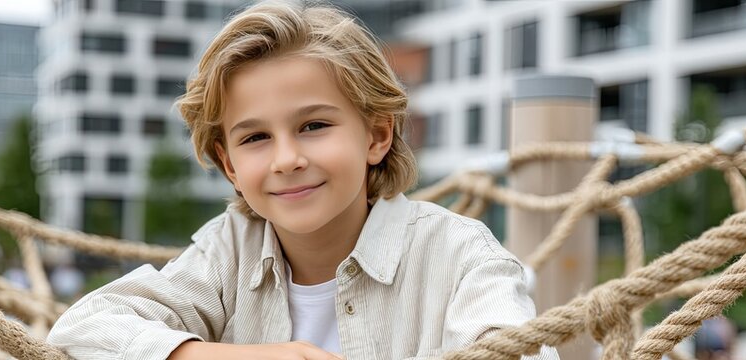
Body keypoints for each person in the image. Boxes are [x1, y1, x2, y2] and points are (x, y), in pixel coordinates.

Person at [46, 1, 559, 359]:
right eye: (255, 139)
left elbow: (518, 349)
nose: (287, 159)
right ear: (229, 165)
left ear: (377, 136)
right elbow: (79, 331)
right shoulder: (228, 251)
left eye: (314, 126)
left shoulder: (459, 253)